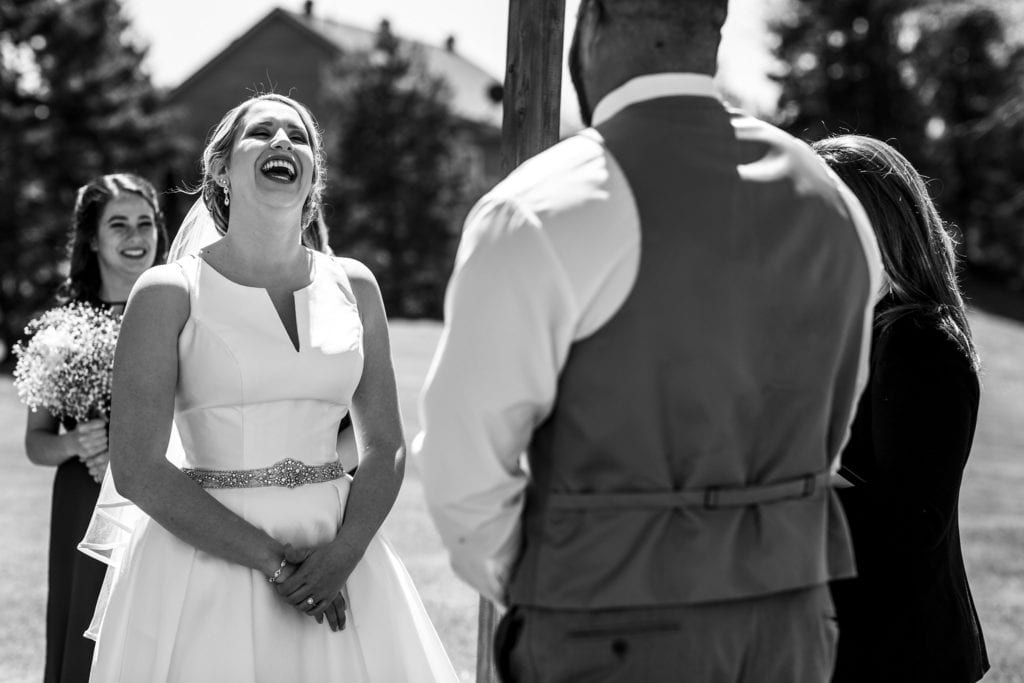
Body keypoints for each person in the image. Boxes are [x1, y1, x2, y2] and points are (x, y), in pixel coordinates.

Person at [413, 1, 883, 681]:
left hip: (608, 623)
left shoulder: (544, 205)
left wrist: (557, 577)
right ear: (717, 26)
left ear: (594, 21)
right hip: (791, 623)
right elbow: (832, 428)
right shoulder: (833, 200)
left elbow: (465, 473)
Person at [86, 93, 456, 681]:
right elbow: (136, 468)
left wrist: (343, 554)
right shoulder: (168, 292)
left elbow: (384, 446)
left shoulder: (354, 286)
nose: (283, 142)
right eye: (261, 133)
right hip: (201, 566)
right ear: (220, 170)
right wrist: (278, 566)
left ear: (313, 176)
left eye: (298, 135)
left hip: (340, 557)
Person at [814, 135, 989, 682]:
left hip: (904, 656)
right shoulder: (857, 327)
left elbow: (912, 525)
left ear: (880, 226)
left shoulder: (918, 340)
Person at [23, 173, 167, 683]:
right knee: (85, 622)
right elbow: (34, 444)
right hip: (84, 503)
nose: (136, 237)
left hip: (165, 495)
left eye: (145, 223)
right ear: (91, 238)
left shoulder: (186, 313)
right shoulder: (62, 327)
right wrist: (72, 442)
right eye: (119, 225)